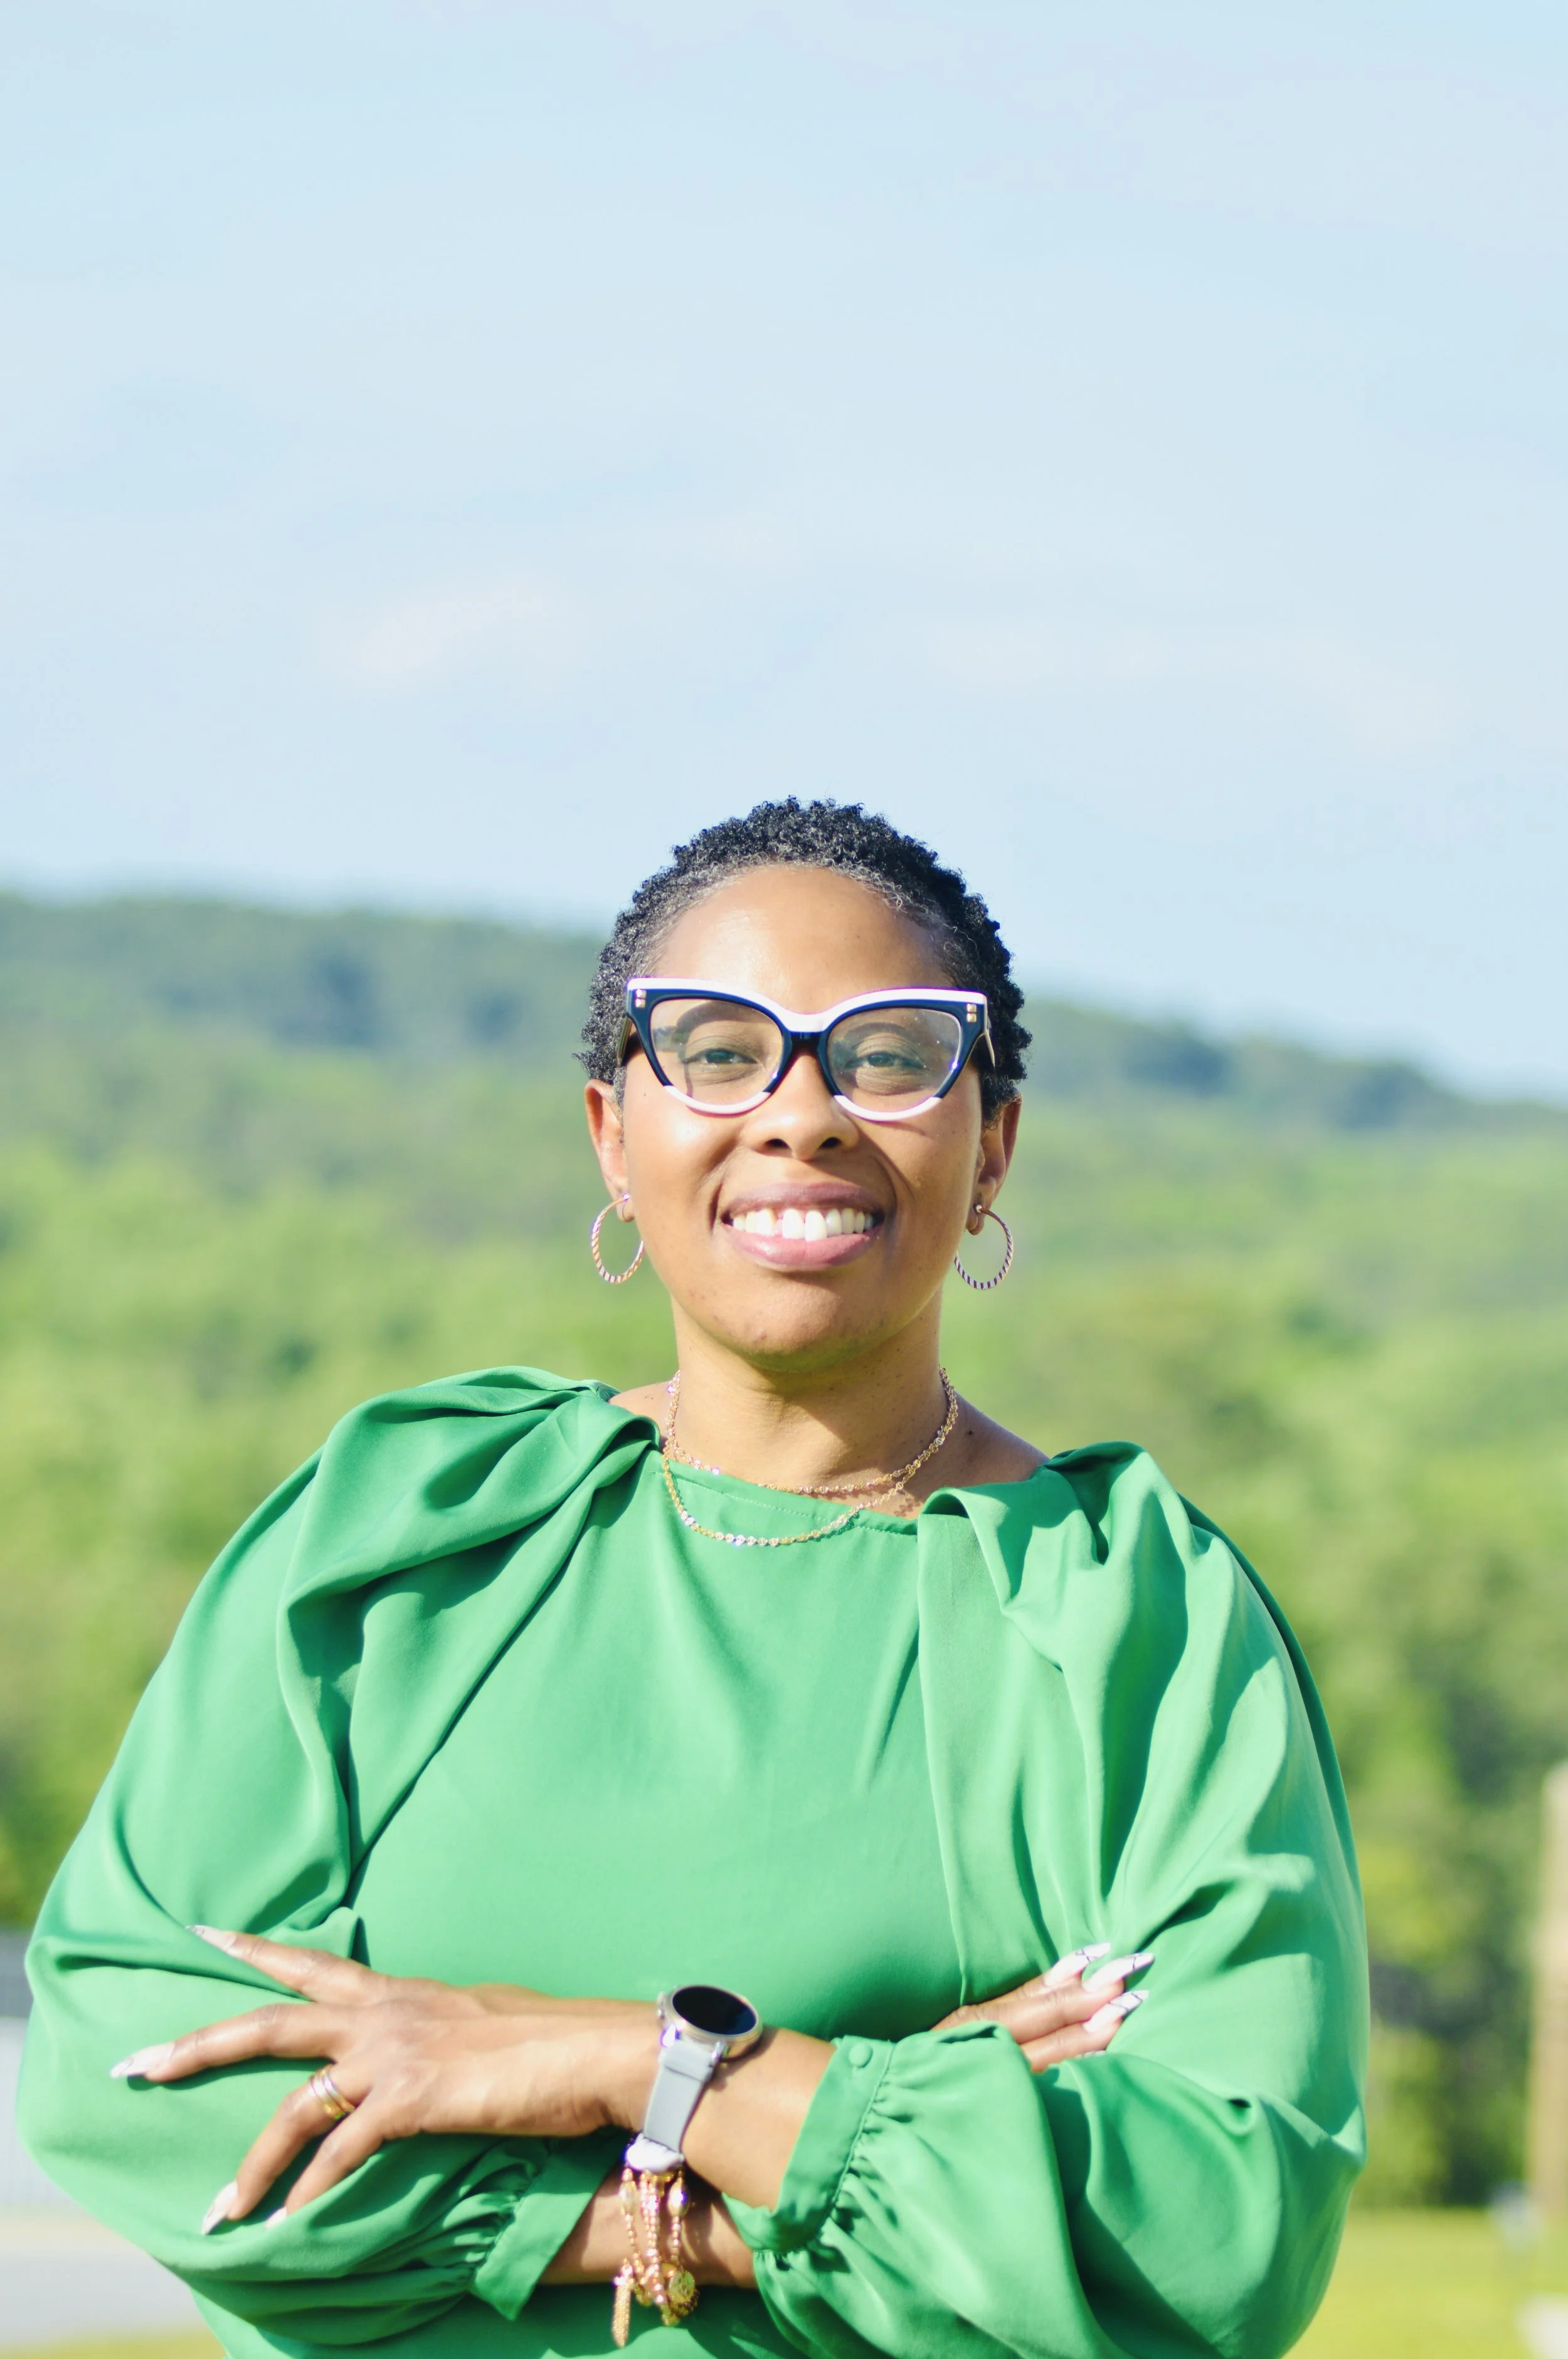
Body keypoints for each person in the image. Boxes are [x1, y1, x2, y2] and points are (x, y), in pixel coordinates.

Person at [20, 801, 1367, 2359]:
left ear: (989, 1141)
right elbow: (139, 2082)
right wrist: (820, 2135)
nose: (800, 1112)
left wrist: (614, 2059)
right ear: (610, 1132)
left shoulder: (1134, 1618)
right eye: (719, 1049)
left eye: (889, 1053)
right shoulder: (401, 1535)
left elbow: (1215, 2227)